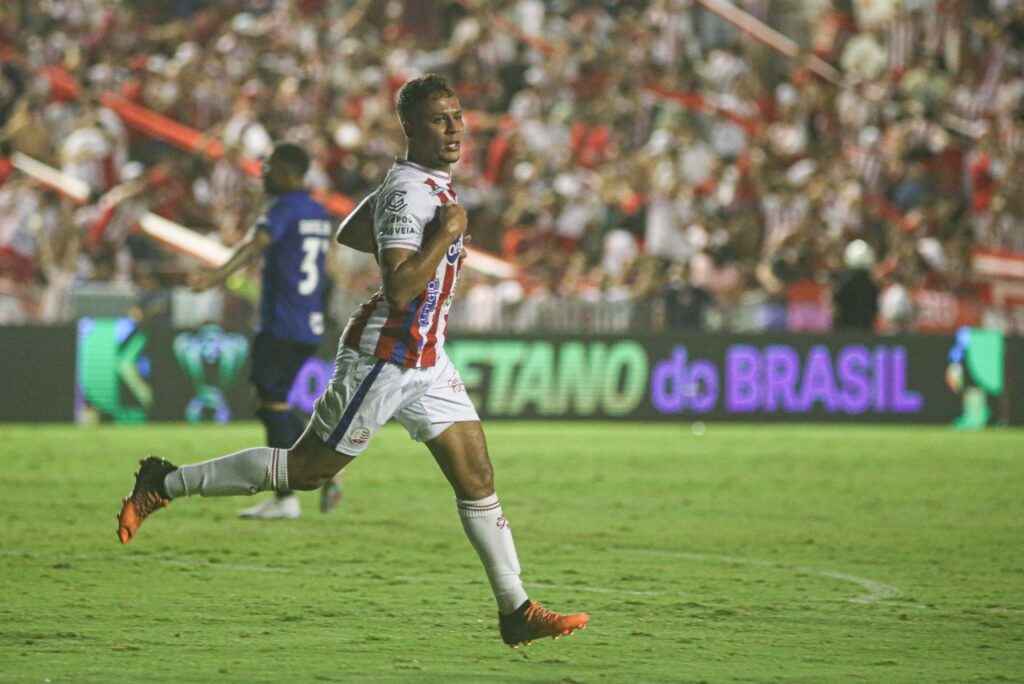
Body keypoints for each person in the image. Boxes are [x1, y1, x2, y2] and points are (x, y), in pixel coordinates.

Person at [117, 74, 589, 648]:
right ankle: (165, 481)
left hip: (428, 359)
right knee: (308, 470)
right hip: (385, 356)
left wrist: (414, 217)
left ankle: (515, 609)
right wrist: (446, 235)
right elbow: (398, 288)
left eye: (459, 116)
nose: (455, 128)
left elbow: (347, 230)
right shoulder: (413, 193)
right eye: (441, 119)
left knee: (477, 477)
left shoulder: (419, 185)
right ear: (410, 127)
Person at [189, 141, 342, 519]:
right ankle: (298, 485)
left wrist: (216, 276)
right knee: (271, 402)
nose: (263, 172)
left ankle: (306, 483)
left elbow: (255, 242)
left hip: (282, 322)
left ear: (290, 172)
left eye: (270, 166)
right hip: (307, 322)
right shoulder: (318, 212)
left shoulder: (284, 208)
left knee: (271, 403)